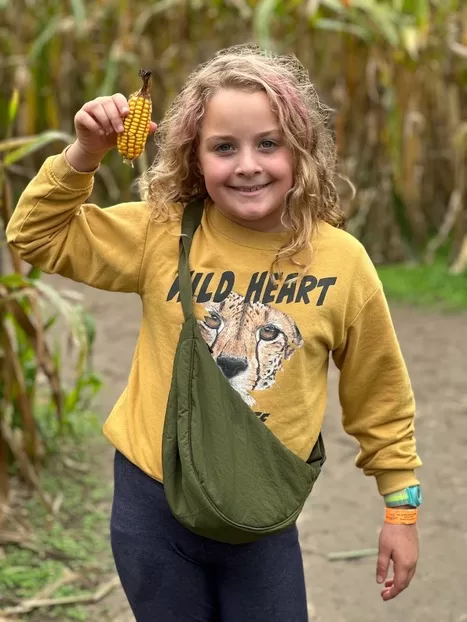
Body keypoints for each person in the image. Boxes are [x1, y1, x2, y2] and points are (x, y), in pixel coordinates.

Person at [6, 44, 422, 621]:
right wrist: (84, 154)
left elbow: (379, 391)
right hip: (152, 503)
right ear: (194, 159)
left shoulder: (340, 262)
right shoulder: (161, 232)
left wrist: (401, 510)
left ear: (300, 151)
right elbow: (34, 238)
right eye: (223, 147)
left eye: (268, 143)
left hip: (261, 513)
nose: (247, 164)